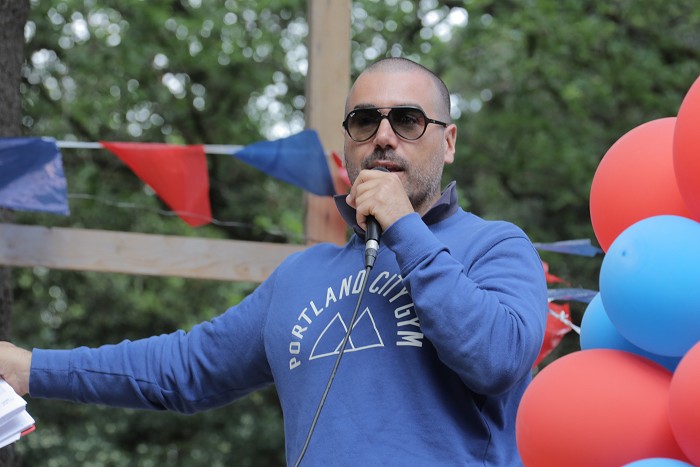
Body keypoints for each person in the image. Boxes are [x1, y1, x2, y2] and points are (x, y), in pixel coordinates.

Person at [0, 57, 547, 466]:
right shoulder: (301, 276)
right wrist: (32, 368)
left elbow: (497, 359)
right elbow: (182, 369)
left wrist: (404, 227)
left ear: (448, 142)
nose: (383, 136)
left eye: (408, 120)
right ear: (347, 145)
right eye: (364, 121)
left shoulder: (496, 245)